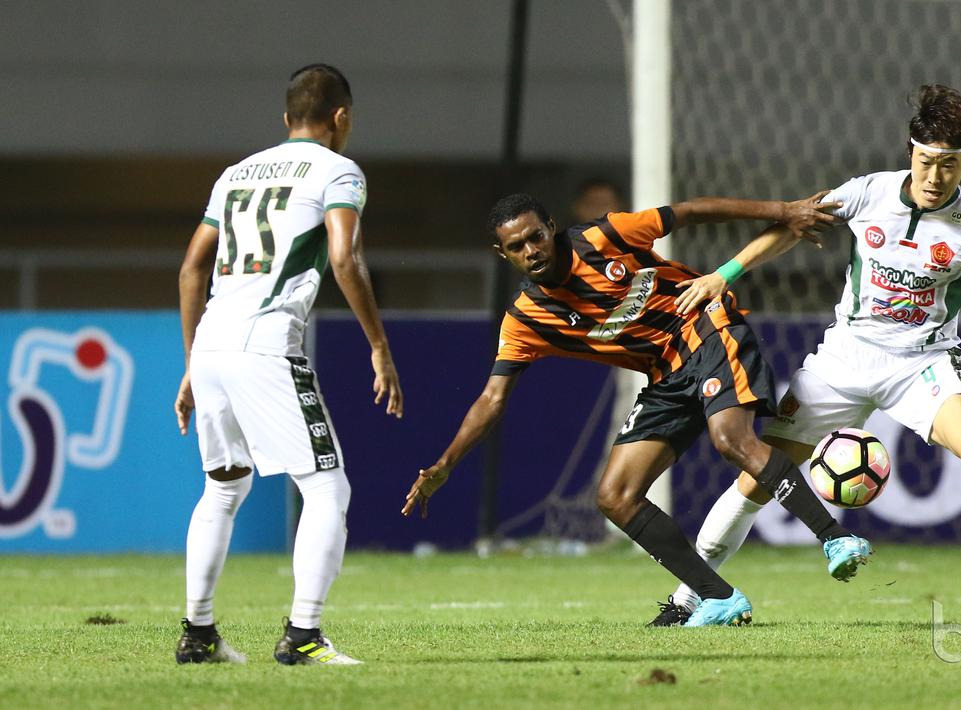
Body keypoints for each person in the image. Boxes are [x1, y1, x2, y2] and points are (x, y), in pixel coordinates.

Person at [656, 84, 961, 628]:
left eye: (949, 166)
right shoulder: (866, 193)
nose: (934, 177)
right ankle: (689, 598)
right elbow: (791, 229)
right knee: (758, 474)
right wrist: (722, 274)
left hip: (922, 364)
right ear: (910, 151)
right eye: (925, 161)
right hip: (844, 360)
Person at [401, 192, 872, 627]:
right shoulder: (525, 319)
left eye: (536, 237)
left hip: (705, 327)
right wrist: (444, 464)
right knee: (615, 495)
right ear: (501, 254)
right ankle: (717, 598)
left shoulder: (604, 237)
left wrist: (780, 212)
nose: (531, 251)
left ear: (551, 227)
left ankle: (835, 537)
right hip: (665, 373)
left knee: (730, 439)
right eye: (517, 246)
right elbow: (492, 398)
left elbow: (689, 212)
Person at [173, 64, 403, 665]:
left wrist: (192, 362)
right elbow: (344, 257)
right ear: (341, 118)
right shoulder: (338, 170)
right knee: (327, 488)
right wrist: (378, 343)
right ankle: (304, 636)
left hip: (214, 342)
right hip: (266, 342)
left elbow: (192, 267)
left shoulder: (235, 173)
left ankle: (198, 636)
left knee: (222, 488)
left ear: (285, 119)